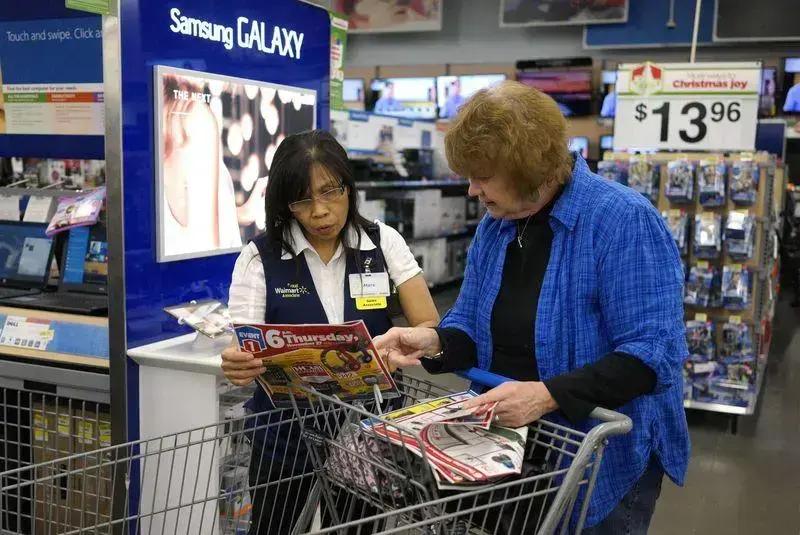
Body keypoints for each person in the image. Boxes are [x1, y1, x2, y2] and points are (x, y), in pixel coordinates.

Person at [374, 81, 690, 534]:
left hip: (599, 458)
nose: (471, 190)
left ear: (529, 169)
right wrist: (432, 340)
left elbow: (652, 355)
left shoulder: (621, 221)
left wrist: (546, 396)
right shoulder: (495, 227)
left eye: (482, 177)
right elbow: (471, 322)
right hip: (511, 449)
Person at [221, 129, 439, 534]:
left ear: (348, 187)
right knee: (276, 526)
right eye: (303, 199)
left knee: (357, 528)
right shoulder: (260, 257)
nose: (320, 211)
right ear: (286, 203)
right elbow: (244, 344)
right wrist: (238, 362)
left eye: (330, 192)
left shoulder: (382, 242)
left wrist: (400, 347)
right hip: (285, 435)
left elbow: (427, 322)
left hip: (367, 429)